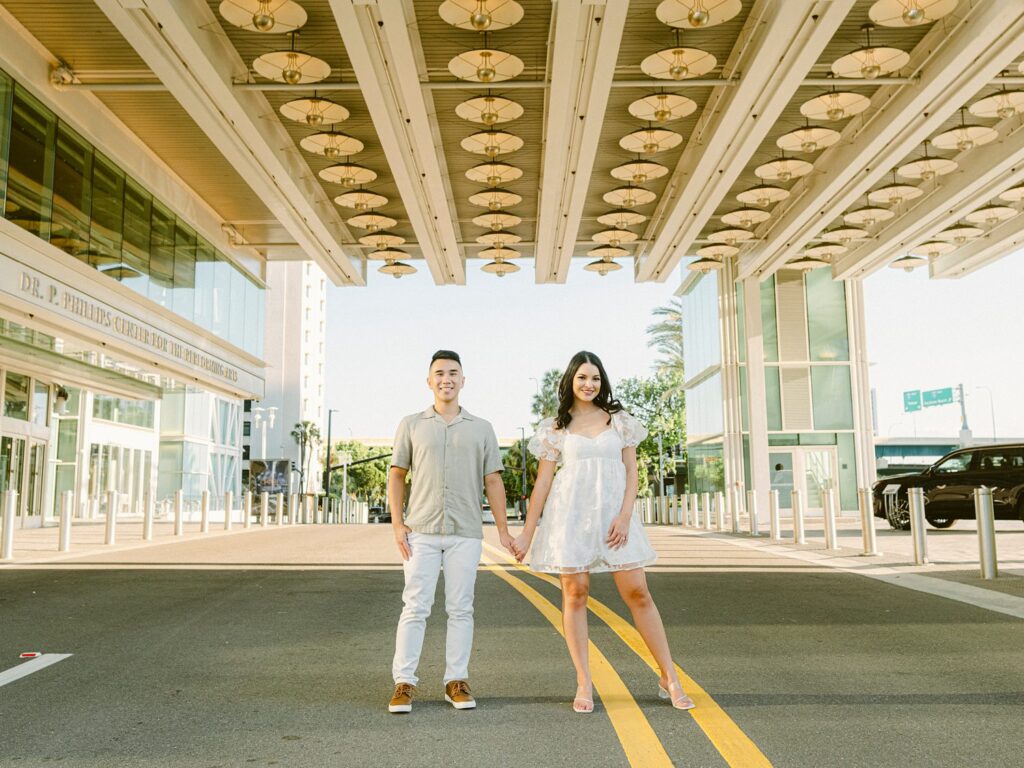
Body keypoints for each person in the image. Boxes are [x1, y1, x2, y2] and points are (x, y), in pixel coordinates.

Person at [511, 351, 695, 714]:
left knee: (638, 593)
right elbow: (543, 483)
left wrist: (626, 516)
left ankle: (669, 676)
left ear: (602, 381)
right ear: (570, 381)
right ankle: (584, 681)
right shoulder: (555, 428)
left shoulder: (619, 421)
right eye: (582, 378)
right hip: (571, 517)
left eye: (595, 378)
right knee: (575, 594)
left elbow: (631, 472)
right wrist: (527, 535)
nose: (589, 384)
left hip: (615, 517)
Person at [387, 350, 514, 714]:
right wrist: (398, 524)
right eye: (439, 373)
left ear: (463, 380)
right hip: (421, 532)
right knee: (415, 606)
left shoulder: (482, 428)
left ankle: (456, 681)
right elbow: (397, 475)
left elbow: (493, 480)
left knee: (461, 608)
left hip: (465, 532)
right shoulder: (411, 424)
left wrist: (503, 531)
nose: (446, 378)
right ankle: (404, 682)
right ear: (429, 381)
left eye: (453, 373)